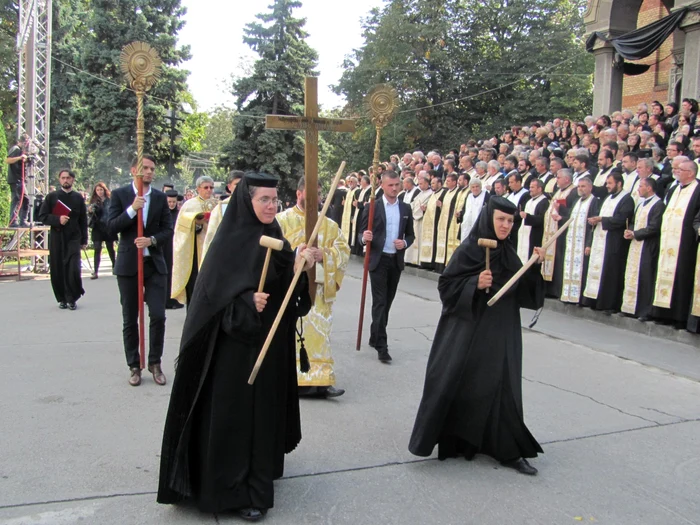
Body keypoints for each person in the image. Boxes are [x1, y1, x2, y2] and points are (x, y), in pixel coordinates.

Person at [157, 172, 314, 520]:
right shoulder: (228, 242)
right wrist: (244, 302)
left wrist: (301, 265)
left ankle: (256, 485)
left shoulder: (275, 235)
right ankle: (232, 491)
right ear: (247, 200)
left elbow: (286, 290)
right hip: (232, 354)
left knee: (261, 417)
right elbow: (209, 302)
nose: (272, 206)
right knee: (237, 419)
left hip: (267, 347)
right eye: (264, 200)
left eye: (275, 200)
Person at [409, 197, 544, 476]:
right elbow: (446, 286)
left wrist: (533, 267)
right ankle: (459, 440)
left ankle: (507, 448)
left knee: (501, 384)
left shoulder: (508, 252)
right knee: (462, 380)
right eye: (501, 220)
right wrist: (474, 283)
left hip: (502, 330)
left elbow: (521, 292)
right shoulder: (470, 249)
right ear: (488, 219)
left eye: (510, 221)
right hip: (468, 331)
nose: (506, 226)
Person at [276, 176, 350, 398]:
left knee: (320, 335)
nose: (315, 198)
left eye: (318, 194)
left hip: (317, 290)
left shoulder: (329, 224)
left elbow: (343, 252)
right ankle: (291, 380)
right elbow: (275, 253)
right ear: (298, 193)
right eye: (310, 193)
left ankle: (322, 381)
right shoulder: (282, 221)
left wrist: (324, 254)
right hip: (291, 288)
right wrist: (297, 253)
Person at [108, 154, 173, 387]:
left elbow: (168, 230)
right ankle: (134, 365)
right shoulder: (120, 195)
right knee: (130, 317)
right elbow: (111, 226)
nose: (149, 172)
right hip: (128, 265)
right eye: (144, 168)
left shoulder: (159, 198)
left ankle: (155, 362)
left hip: (154, 265)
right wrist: (131, 211)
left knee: (158, 314)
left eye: (152, 169)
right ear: (133, 170)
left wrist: (151, 240)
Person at [360, 170, 415, 363]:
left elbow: (410, 235)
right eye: (390, 185)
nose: (394, 188)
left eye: (396, 185)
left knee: (387, 303)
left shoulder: (406, 209)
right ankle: (382, 347)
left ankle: (375, 334)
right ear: (382, 185)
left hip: (395, 260)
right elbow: (361, 232)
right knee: (380, 302)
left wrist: (405, 243)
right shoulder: (372, 207)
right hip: (378, 259)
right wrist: (364, 238)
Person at [652, 160, 700, 329]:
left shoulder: (697, 189)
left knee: (681, 278)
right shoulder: (673, 188)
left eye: (681, 169)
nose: (677, 172)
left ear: (691, 173)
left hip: (685, 243)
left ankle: (678, 317)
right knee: (664, 275)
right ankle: (662, 313)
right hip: (667, 241)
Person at [582, 173, 635, 313]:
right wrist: (596, 220)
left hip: (614, 242)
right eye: (606, 183)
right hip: (600, 240)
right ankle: (595, 300)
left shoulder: (627, 199)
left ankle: (609, 304)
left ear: (619, 184)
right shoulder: (607, 198)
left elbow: (622, 220)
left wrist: (601, 219)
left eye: (610, 183)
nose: (607, 186)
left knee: (611, 272)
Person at [37, 169, 88, 310]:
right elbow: (42, 216)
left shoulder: (78, 198)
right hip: (57, 237)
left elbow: (83, 220)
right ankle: (62, 298)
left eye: (68, 178)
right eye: (63, 178)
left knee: (73, 268)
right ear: (60, 180)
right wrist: (57, 219)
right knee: (58, 268)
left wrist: (84, 240)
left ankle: (72, 298)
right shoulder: (51, 197)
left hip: (73, 237)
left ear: (72, 180)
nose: (66, 180)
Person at [620, 178, 664, 321]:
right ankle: (629, 307)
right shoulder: (640, 204)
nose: (638, 189)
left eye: (641, 186)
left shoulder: (658, 204)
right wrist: (630, 230)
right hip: (635, 244)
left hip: (648, 246)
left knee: (645, 277)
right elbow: (633, 221)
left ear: (649, 188)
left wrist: (636, 234)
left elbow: (654, 226)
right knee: (632, 274)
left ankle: (644, 311)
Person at [171, 176, 215, 307]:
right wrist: (197, 222)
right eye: (206, 187)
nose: (209, 190)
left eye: (211, 187)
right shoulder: (189, 205)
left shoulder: (217, 204)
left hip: (211, 248)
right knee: (195, 284)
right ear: (198, 189)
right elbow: (182, 228)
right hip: (194, 251)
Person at [560, 177, 600, 305]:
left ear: (590, 187)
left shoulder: (594, 202)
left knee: (582, 269)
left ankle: (579, 298)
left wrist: (589, 244)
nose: (580, 189)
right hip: (572, 242)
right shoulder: (577, 201)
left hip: (583, 243)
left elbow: (593, 226)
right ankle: (568, 295)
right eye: (579, 186)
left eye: (583, 186)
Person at [541, 169, 579, 298]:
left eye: (558, 177)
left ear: (567, 179)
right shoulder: (559, 191)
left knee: (559, 260)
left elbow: (573, 211)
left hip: (562, 232)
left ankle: (557, 290)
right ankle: (548, 289)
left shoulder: (573, 191)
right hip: (551, 231)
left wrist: (560, 209)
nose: (556, 180)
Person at [202, 170, 244, 258]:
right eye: (236, 184)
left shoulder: (253, 205)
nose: (240, 187)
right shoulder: (221, 208)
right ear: (229, 187)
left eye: (243, 184)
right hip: (227, 253)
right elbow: (211, 235)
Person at [87, 182, 115, 280]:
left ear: (104, 190)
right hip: (97, 227)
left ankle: (114, 266)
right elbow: (90, 214)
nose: (99, 192)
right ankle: (95, 271)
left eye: (101, 190)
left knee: (110, 248)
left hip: (107, 226)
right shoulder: (94, 201)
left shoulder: (109, 200)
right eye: (98, 190)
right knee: (97, 248)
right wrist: (90, 210)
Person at [517, 179, 549, 264]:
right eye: (530, 187)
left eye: (532, 187)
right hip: (524, 233)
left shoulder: (544, 202)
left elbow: (541, 219)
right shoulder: (529, 201)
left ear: (539, 189)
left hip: (534, 235)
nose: (530, 189)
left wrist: (527, 216)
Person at [434, 173, 460, 272]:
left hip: (450, 221)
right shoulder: (446, 192)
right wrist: (440, 205)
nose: (446, 183)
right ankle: (440, 266)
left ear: (454, 182)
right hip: (443, 220)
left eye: (448, 181)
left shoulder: (457, 192)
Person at [419, 176, 446, 270]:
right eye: (432, 183)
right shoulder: (432, 194)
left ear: (439, 184)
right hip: (429, 223)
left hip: (436, 223)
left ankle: (433, 264)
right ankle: (426, 263)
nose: (432, 185)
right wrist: (424, 210)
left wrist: (441, 206)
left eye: (434, 183)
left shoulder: (443, 193)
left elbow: (444, 208)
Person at [164, 190, 184, 310]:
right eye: (169, 202)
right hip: (165, 247)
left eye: (173, 202)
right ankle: (166, 300)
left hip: (176, 247)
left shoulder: (179, 214)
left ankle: (175, 299)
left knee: (174, 273)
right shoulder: (163, 214)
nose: (171, 204)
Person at [408, 173, 433, 266]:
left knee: (419, 240)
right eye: (419, 183)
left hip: (422, 220)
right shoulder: (420, 193)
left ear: (427, 183)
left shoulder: (430, 193)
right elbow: (414, 203)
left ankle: (418, 261)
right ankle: (412, 259)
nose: (419, 185)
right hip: (415, 218)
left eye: (421, 184)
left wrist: (422, 211)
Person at [5, 134, 29, 227]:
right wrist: (20, 157)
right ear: (21, 142)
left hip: (18, 179)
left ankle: (14, 221)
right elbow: (8, 160)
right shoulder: (16, 149)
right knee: (24, 199)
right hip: (16, 179)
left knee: (17, 199)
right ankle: (21, 221)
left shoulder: (20, 151)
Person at [340, 174, 360, 251]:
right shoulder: (347, 191)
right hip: (345, 215)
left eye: (352, 181)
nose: (350, 183)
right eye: (349, 181)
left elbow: (356, 204)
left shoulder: (358, 191)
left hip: (352, 215)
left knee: (352, 232)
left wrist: (353, 216)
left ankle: (351, 247)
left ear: (356, 182)